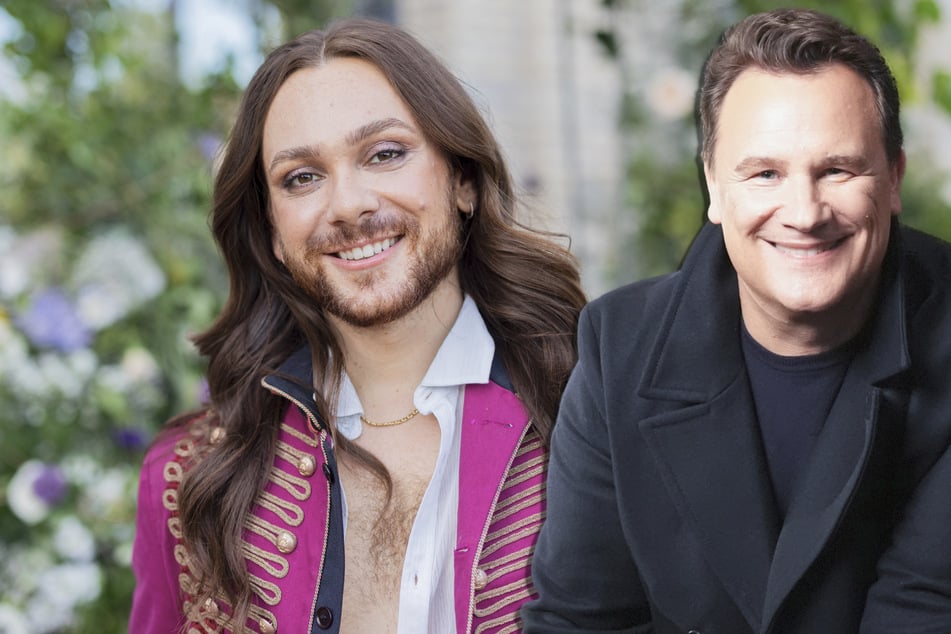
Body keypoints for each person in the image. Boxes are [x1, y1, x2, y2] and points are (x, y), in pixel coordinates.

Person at [129, 17, 585, 634]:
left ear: (464, 180)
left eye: (386, 154)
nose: (347, 204)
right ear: (273, 233)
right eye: (302, 178)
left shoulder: (593, 417)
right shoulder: (190, 475)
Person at [522, 8, 951, 633]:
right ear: (714, 187)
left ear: (893, 181)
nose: (803, 212)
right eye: (765, 174)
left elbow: (924, 614)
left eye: (837, 169)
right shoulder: (620, 350)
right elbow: (580, 620)